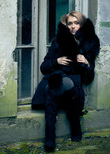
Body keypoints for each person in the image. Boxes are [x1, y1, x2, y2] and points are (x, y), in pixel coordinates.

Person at [32, 11, 100, 152]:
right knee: (53, 86)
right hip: (55, 81)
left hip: (72, 86)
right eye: (70, 23)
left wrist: (87, 63)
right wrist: (56, 61)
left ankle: (54, 136)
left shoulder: (88, 43)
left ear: (81, 24)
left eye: (76, 23)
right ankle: (57, 135)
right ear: (66, 25)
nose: (73, 26)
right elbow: (43, 67)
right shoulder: (58, 41)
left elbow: (89, 78)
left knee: (59, 86)